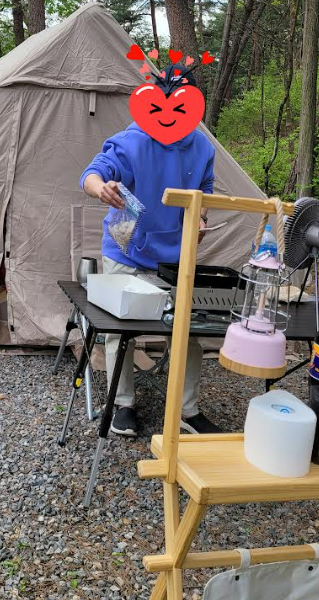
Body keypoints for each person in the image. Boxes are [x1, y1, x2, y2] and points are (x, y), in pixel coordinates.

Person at [79, 63, 222, 437]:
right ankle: (122, 403)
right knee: (120, 330)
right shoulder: (132, 141)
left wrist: (200, 216)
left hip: (175, 256)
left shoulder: (202, 147)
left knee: (188, 331)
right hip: (126, 250)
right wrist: (101, 188)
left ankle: (187, 410)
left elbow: (205, 190)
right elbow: (92, 173)